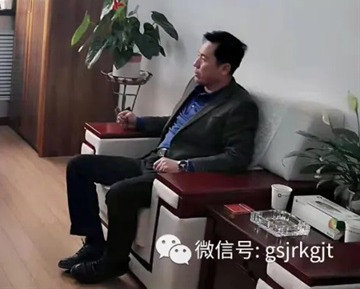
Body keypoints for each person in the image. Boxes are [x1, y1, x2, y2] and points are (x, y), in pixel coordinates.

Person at [60, 31, 259, 284]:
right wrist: (139, 122)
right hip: (151, 161)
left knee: (120, 193)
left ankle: (113, 262)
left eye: (203, 59)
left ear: (225, 68)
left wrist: (183, 166)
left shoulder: (240, 106)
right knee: (79, 166)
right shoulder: (196, 86)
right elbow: (176, 124)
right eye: (198, 56)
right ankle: (94, 244)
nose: (195, 64)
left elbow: (237, 158)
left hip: (173, 178)